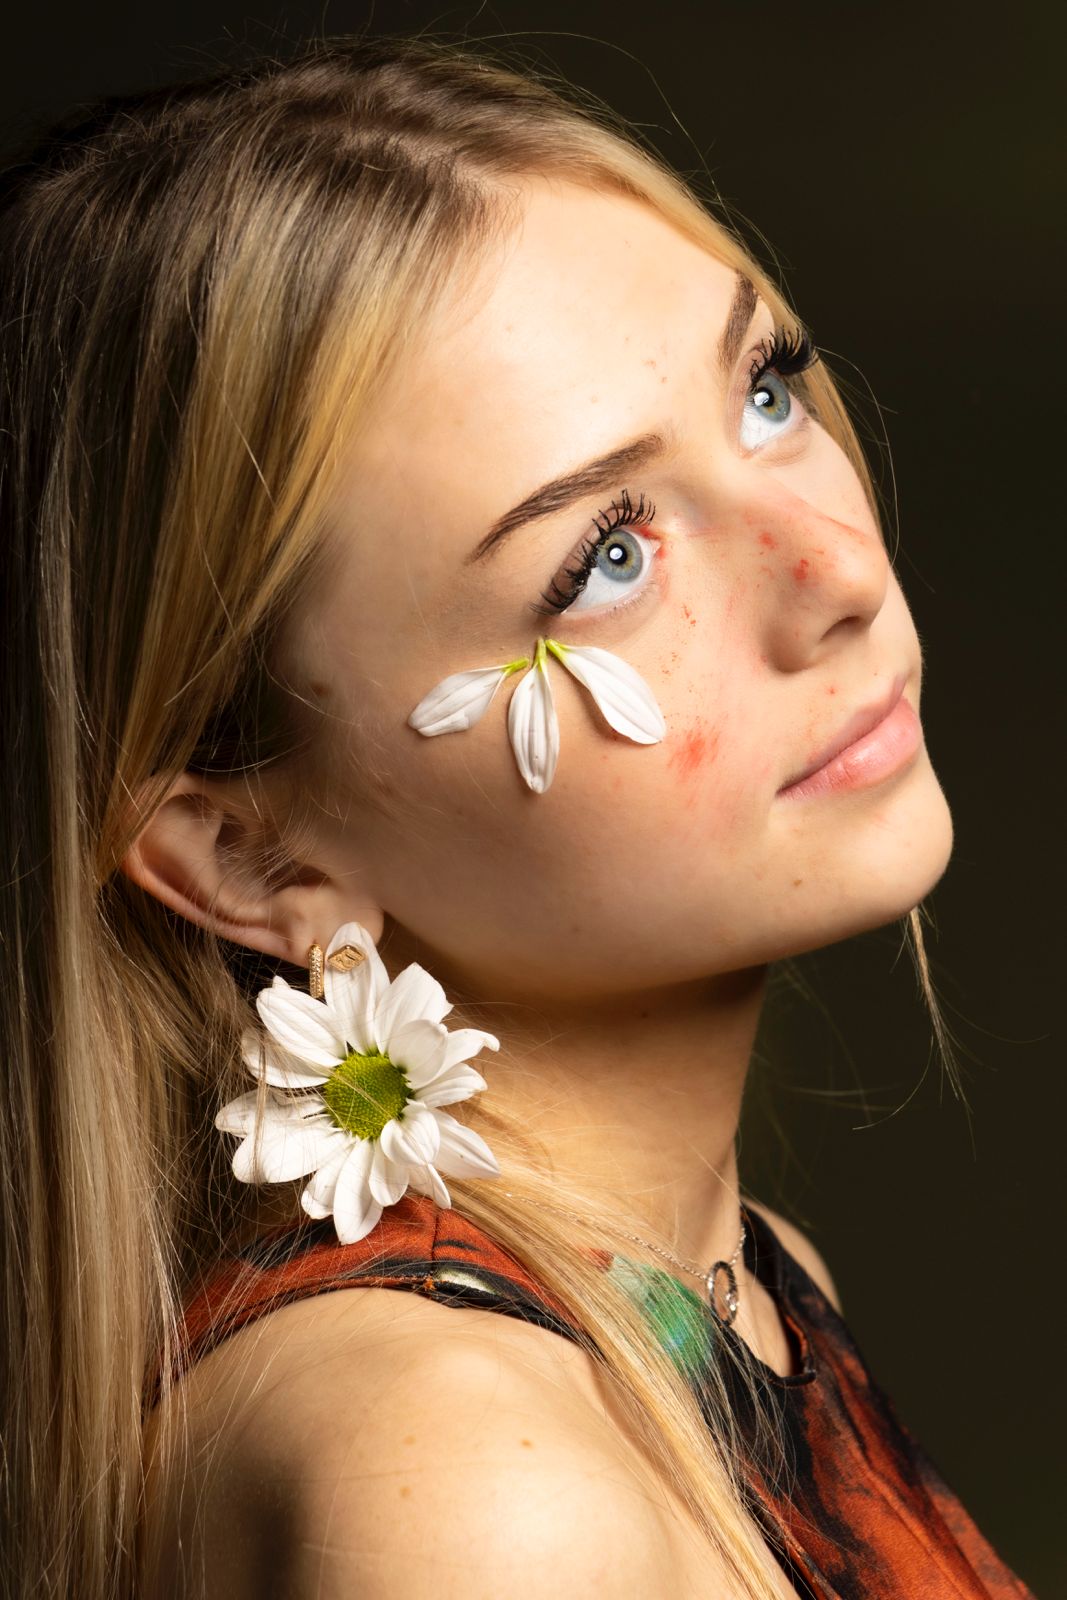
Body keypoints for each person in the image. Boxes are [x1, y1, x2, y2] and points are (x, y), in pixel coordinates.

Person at [0, 34, 1034, 1600]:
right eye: (604, 558)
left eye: (767, 392)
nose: (835, 577)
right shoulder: (473, 1482)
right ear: (248, 853)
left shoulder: (737, 1299)